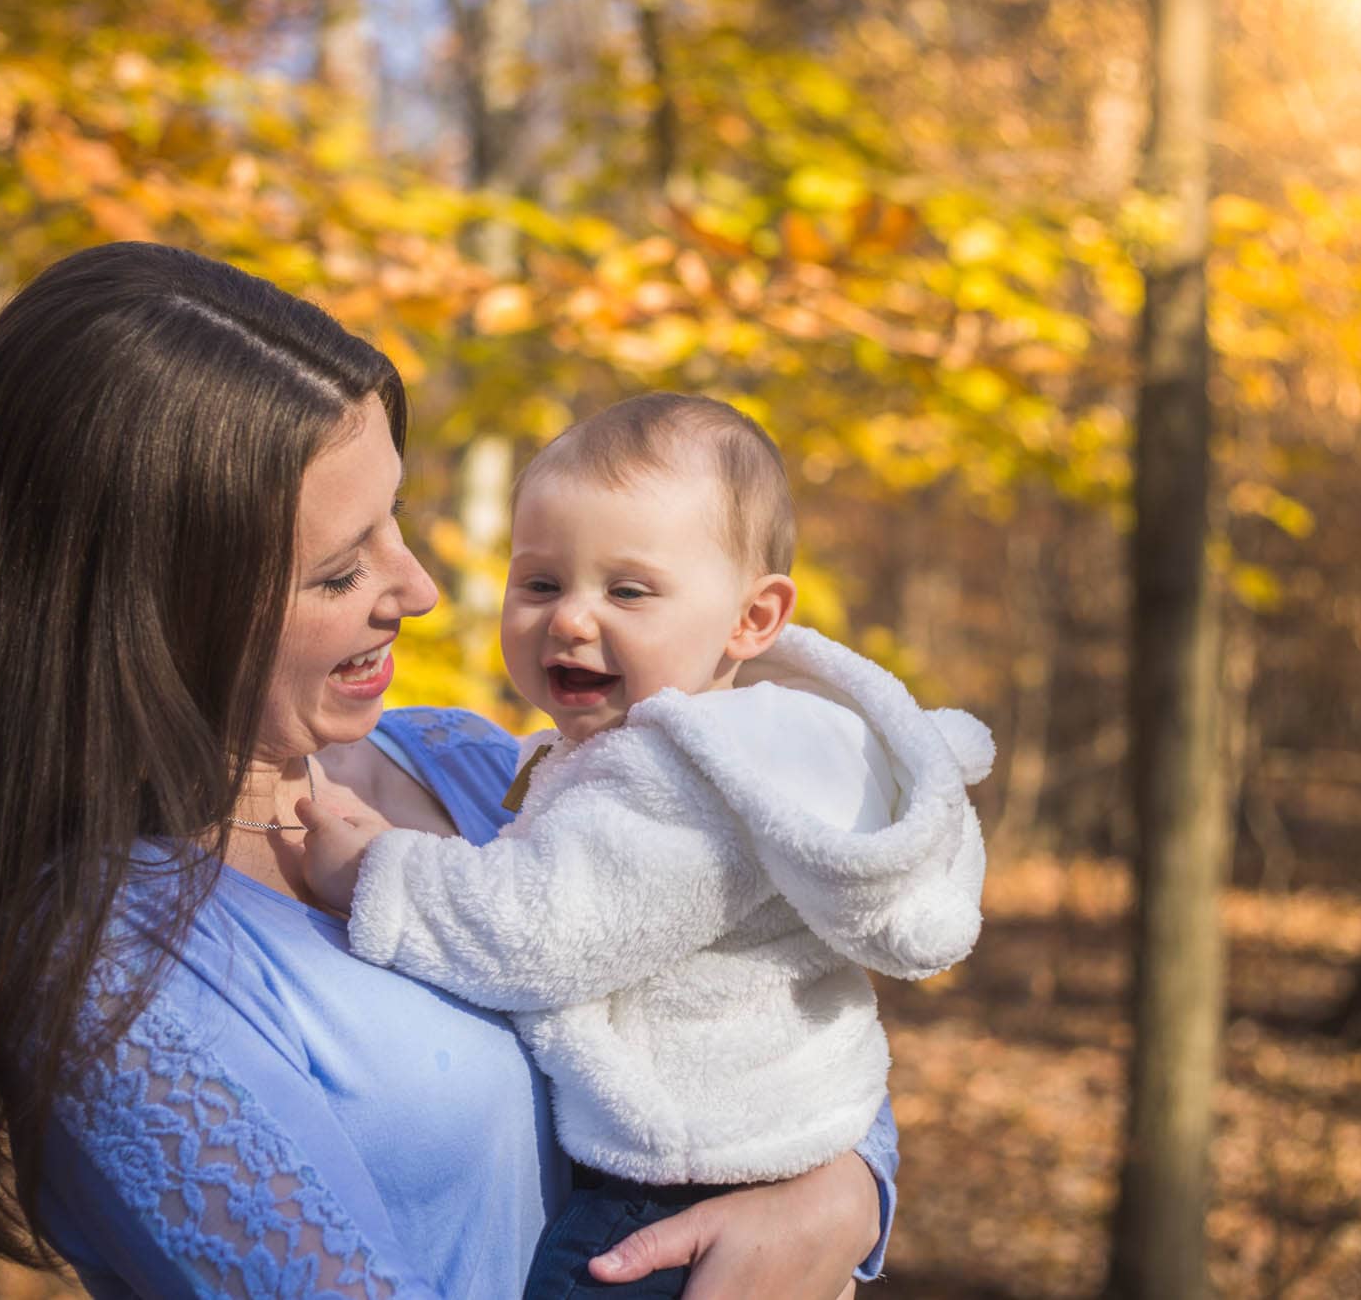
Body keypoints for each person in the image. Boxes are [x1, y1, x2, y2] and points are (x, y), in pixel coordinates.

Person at [0, 242, 902, 1299]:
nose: (420, 587)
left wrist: (840, 1200)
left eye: (394, 520)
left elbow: (764, 988)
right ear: (149, 610)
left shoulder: (482, 763)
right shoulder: (111, 973)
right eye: (341, 569)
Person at [296, 394, 992, 1298]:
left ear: (752, 619)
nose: (573, 620)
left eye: (627, 590)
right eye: (541, 584)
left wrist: (379, 872)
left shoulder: (687, 779)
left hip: (672, 1192)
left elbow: (544, 931)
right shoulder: (614, 753)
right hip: (734, 1156)